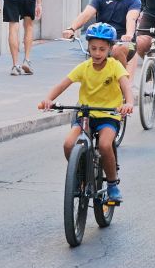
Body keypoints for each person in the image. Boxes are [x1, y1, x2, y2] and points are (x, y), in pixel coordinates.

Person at [37, 23, 134, 204]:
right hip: (86, 114)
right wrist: (48, 100)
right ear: (88, 47)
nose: (97, 53)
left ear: (110, 49)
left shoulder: (115, 66)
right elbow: (62, 84)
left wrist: (128, 103)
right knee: (68, 145)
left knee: (105, 145)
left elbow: (126, 86)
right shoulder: (84, 67)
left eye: (102, 49)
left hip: (108, 115)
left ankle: (112, 184)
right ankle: (80, 173)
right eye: (93, 48)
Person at [64, 0, 142, 66]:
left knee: (117, 50)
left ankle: (122, 81)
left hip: (128, 43)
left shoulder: (134, 1)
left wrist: (129, 35)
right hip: (101, 41)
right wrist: (71, 28)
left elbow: (131, 18)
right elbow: (86, 14)